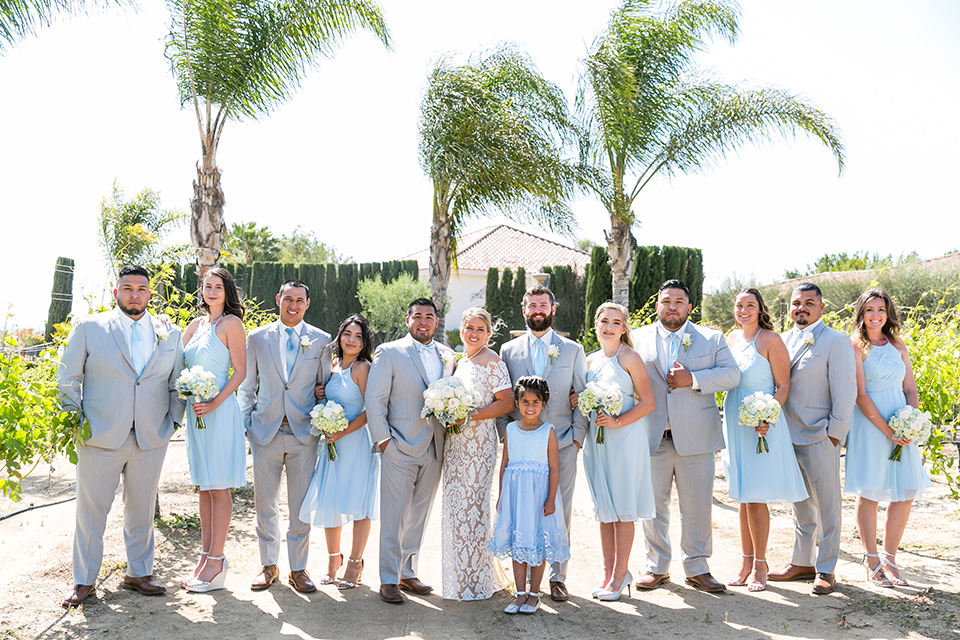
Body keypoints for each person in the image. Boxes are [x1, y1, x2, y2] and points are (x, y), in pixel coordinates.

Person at [57, 265, 186, 607]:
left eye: (141, 289)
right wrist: (77, 420)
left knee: (141, 511)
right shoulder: (90, 327)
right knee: (91, 512)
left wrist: (172, 421)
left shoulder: (168, 333)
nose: (134, 294)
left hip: (150, 436)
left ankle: (138, 572)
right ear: (116, 292)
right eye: (127, 288)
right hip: (99, 434)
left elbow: (177, 382)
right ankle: (84, 581)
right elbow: (67, 376)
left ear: (149, 294)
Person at [630, 279, 740, 593]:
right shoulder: (637, 339)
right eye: (666, 301)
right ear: (657, 306)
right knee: (652, 506)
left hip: (696, 436)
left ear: (689, 307)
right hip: (651, 434)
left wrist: (692, 378)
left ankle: (697, 567)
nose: (673, 306)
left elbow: (732, 374)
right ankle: (657, 567)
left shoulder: (711, 338)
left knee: (697, 506)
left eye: (679, 301)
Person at [238, 280, 331, 593]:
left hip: (304, 434)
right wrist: (247, 424)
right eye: (287, 299)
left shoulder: (321, 339)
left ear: (307, 303)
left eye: (299, 301)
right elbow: (248, 386)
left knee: (300, 507)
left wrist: (319, 421)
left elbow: (324, 387)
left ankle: (299, 569)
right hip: (265, 432)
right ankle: (268, 566)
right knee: (265, 504)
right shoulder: (257, 338)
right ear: (278, 299)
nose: (293, 305)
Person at [499, 285, 587, 602]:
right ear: (524, 310)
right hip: (521, 446)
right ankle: (524, 582)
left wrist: (577, 439)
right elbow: (502, 397)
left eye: (543, 305)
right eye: (532, 305)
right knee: (523, 510)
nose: (538, 309)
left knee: (558, 510)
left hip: (562, 442)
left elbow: (582, 395)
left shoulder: (573, 350)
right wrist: (504, 433)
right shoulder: (508, 352)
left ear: (553, 309)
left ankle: (557, 577)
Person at [768, 283, 856, 595]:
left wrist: (834, 435)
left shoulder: (836, 341)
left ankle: (827, 568)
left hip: (820, 436)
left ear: (821, 307)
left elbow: (846, 393)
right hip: (786, 436)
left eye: (809, 302)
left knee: (828, 506)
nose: (801, 308)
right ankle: (802, 562)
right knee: (800, 504)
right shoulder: (781, 340)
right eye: (796, 303)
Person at [366, 298, 456, 604]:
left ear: (436, 322)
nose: (423, 321)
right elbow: (375, 400)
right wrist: (385, 443)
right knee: (393, 516)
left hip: (435, 445)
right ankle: (388, 578)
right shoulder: (389, 352)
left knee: (419, 514)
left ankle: (407, 571)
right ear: (408, 320)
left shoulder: (447, 355)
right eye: (417, 316)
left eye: (429, 317)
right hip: (399, 446)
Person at [720, 288, 807, 592]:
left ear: (760, 309)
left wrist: (767, 416)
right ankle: (745, 561)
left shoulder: (770, 340)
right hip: (734, 420)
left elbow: (783, 385)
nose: (743, 310)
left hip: (762, 424)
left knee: (755, 496)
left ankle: (760, 565)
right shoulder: (731, 338)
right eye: (739, 305)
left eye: (750, 305)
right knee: (743, 494)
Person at [845, 288, 931, 587]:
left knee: (905, 491)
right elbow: (860, 394)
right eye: (869, 310)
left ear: (888, 313)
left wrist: (912, 423)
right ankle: (870, 559)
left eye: (881, 309)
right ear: (861, 313)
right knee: (870, 490)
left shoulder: (897, 345)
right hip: (871, 425)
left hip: (901, 424)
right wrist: (888, 430)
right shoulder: (856, 346)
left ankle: (890, 557)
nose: (876, 315)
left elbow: (909, 388)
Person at [179, 268, 248, 593]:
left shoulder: (231, 324)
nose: (211, 291)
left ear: (227, 291)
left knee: (218, 487)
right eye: (207, 286)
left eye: (217, 286)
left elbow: (240, 373)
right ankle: (205, 557)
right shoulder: (195, 325)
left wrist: (215, 402)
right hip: (197, 413)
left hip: (219, 412)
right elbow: (175, 361)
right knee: (204, 487)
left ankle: (218, 560)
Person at [582, 302, 655, 601]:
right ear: (596, 325)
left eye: (616, 322)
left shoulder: (630, 357)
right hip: (597, 441)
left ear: (624, 328)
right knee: (605, 511)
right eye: (604, 321)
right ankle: (608, 573)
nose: (609, 327)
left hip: (624, 439)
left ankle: (620, 573)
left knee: (623, 509)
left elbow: (648, 401)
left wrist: (617, 422)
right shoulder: (589, 361)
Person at [299, 314, 379, 590]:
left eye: (358, 336)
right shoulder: (332, 365)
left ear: (365, 341)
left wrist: (341, 432)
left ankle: (355, 563)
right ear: (340, 336)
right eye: (348, 334)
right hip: (331, 443)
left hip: (356, 442)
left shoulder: (363, 368)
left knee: (358, 504)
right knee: (330, 499)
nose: (352, 340)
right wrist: (321, 396)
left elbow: (372, 411)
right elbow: (329, 399)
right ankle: (334, 559)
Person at [441, 308, 514, 600]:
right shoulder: (460, 362)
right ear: (461, 329)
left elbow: (506, 402)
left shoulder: (492, 361)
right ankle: (459, 575)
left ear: (488, 334)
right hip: (455, 446)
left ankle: (476, 580)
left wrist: (471, 417)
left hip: (478, 446)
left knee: (474, 510)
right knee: (456, 511)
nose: (474, 333)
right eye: (469, 327)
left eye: (480, 329)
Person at [488, 376, 570, 615]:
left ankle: (534, 594)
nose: (530, 407)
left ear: (543, 403)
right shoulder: (510, 430)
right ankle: (519, 594)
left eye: (535, 402)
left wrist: (551, 499)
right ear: (517, 402)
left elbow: (554, 467)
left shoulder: (548, 431)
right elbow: (505, 464)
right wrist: (503, 495)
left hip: (538, 497)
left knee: (536, 543)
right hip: (515, 498)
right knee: (518, 542)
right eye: (525, 401)